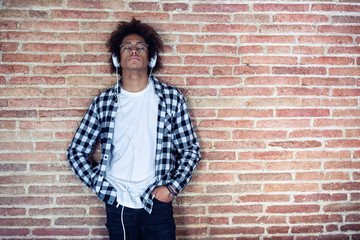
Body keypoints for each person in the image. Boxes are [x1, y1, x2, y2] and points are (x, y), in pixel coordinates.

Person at [66, 18, 201, 240]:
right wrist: (101, 187)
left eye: (140, 46)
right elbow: (76, 152)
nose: (134, 50)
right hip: (118, 203)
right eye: (127, 47)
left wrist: (172, 189)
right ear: (117, 58)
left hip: (156, 200)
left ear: (151, 57)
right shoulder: (103, 102)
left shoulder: (171, 98)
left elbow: (190, 149)